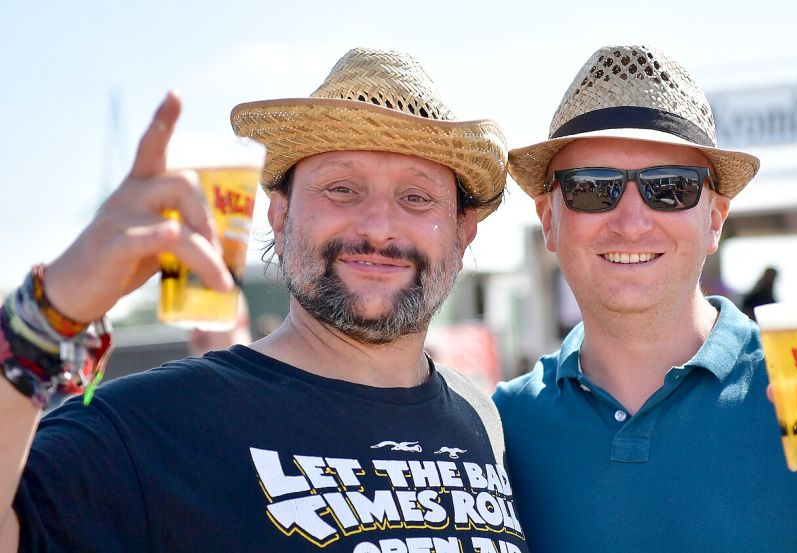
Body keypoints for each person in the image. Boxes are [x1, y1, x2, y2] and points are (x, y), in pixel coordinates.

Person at [1, 48, 528, 553]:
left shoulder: (482, 419)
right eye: (342, 188)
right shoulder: (155, 426)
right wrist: (44, 319)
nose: (379, 227)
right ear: (279, 215)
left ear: (463, 236)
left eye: (416, 198)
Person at [494, 45, 797, 552]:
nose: (632, 222)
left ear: (714, 220)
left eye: (670, 188)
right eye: (592, 189)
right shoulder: (503, 425)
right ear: (550, 220)